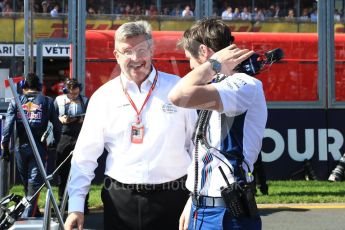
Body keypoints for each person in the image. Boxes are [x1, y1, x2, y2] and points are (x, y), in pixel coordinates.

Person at [64, 20, 197, 230]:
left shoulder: (178, 90)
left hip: (174, 198)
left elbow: (196, 148)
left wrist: (194, 198)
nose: (135, 59)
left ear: (152, 50)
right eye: (127, 51)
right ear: (116, 55)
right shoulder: (103, 97)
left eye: (141, 50)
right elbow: (84, 155)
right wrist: (76, 206)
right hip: (120, 201)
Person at [168, 18, 267, 230]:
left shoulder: (243, 85)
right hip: (203, 205)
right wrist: (193, 199)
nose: (190, 67)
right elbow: (206, 152)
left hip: (227, 213)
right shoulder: (218, 86)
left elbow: (177, 95)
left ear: (203, 51)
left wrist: (212, 65)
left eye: (190, 59)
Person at [0, 73, 61, 217]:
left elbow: (8, 126)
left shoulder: (16, 101)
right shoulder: (47, 101)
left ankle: (31, 213)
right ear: (40, 87)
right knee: (34, 184)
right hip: (39, 148)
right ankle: (29, 216)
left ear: (23, 87)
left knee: (28, 184)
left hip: (20, 147)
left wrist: (4, 146)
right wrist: (54, 143)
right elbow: (57, 126)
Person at [54, 78, 89, 212]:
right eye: (71, 94)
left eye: (75, 93)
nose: (74, 96)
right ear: (65, 91)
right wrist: (59, 119)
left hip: (80, 137)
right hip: (64, 137)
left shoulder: (85, 101)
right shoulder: (58, 100)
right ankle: (63, 201)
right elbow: (52, 117)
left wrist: (83, 119)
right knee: (62, 172)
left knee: (81, 171)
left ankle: (83, 204)